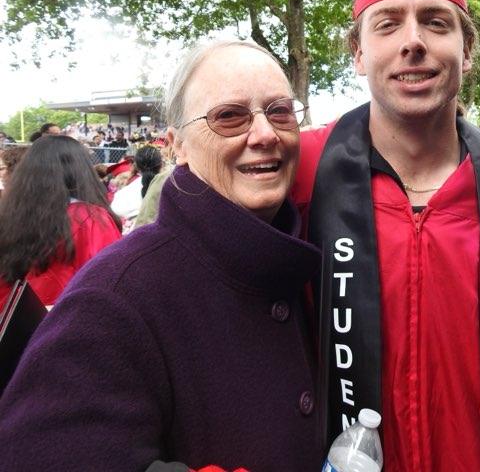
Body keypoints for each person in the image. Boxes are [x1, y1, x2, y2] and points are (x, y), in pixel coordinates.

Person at [297, 0, 480, 471]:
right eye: (388, 23)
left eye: (436, 21)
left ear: (466, 50)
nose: (413, 42)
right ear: (359, 54)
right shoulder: (301, 174)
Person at [0, 41, 322, 470]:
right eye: (229, 116)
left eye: (279, 110)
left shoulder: (303, 256)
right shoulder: (115, 294)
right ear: (178, 146)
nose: (264, 134)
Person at [0, 136, 121, 307]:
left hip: (15, 320)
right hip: (67, 321)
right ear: (82, 171)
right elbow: (111, 280)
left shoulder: (10, 215)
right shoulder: (90, 218)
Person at [110, 144, 163, 233]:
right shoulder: (171, 186)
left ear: (137, 166)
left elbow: (115, 209)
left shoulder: (123, 194)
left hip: (133, 236)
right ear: (161, 165)